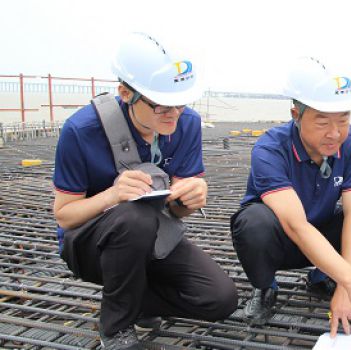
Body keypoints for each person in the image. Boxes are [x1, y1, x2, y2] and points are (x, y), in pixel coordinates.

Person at [52, 32, 237, 350]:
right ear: (125, 93)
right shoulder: (81, 130)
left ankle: (135, 301)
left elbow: (176, 211)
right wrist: (112, 195)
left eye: (180, 103)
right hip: (90, 246)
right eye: (161, 106)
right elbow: (65, 216)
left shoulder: (185, 122)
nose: (173, 114)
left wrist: (190, 199)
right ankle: (116, 327)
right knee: (134, 218)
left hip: (153, 237)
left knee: (220, 298)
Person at [230, 57, 351, 336]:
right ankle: (265, 288)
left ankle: (326, 280)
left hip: (321, 230)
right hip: (282, 238)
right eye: (322, 121)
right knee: (254, 222)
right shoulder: (270, 149)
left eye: (343, 120)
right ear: (296, 114)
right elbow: (295, 226)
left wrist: (349, 283)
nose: (334, 133)